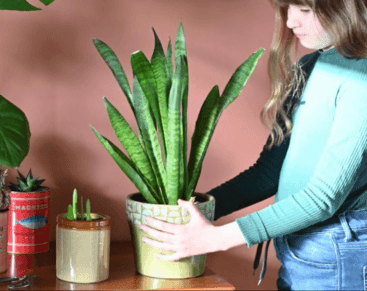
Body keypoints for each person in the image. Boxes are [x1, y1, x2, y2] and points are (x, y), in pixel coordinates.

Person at [139, 0, 367, 290]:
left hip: (339, 251)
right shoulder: (309, 66)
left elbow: (323, 199)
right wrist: (193, 212)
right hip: (302, 247)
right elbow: (268, 173)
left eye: (305, 10)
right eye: (287, 9)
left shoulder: (361, 78)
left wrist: (217, 237)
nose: (290, 22)